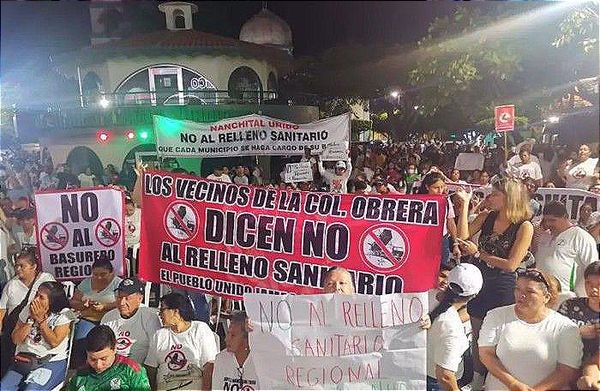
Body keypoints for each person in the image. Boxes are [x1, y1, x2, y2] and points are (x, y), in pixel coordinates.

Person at [454, 177, 534, 389]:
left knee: (499, 335)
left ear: (510, 198)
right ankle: (477, 378)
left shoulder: (524, 226)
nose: (490, 197)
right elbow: (463, 237)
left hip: (503, 285)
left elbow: (511, 264)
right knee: (477, 332)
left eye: (495, 194)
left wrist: (479, 253)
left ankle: (498, 378)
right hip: (479, 282)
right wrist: (464, 206)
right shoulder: (486, 216)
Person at [478, 269, 583, 390]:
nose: (521, 295)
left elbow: (568, 370)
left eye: (530, 291)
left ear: (546, 297)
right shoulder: (496, 316)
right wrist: (513, 384)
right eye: (518, 289)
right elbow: (486, 354)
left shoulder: (566, 327)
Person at [1, 281, 75, 390]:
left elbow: (54, 342)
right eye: (36, 295)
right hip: (24, 361)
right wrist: (30, 320)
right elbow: (16, 339)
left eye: (41, 297)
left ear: (52, 300)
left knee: (32, 389)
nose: (35, 300)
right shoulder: (28, 309)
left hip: (49, 362)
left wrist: (41, 321)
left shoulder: (65, 314)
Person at [427, 263, 483, 391]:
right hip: (433, 382)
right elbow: (445, 377)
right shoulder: (453, 330)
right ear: (473, 296)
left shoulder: (423, 296)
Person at [145, 292, 218, 390]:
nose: (160, 314)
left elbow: (209, 367)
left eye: (163, 310)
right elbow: (151, 369)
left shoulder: (200, 329)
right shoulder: (159, 335)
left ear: (176, 311)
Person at [0, 248, 55, 376]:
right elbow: (2, 309)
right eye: (16, 266)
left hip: (38, 326)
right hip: (16, 328)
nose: (18, 269)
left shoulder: (45, 280)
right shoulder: (11, 285)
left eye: (22, 266)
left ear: (33, 267)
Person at [534, 201, 598, 297]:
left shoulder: (581, 236)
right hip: (541, 294)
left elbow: (593, 268)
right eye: (546, 220)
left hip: (566, 296)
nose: (548, 223)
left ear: (565, 217)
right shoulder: (544, 236)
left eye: (552, 220)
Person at [70, 259, 122, 367]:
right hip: (89, 319)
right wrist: (84, 305)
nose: (99, 278)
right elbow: (73, 302)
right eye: (95, 274)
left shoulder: (118, 283)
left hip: (110, 320)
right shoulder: (86, 282)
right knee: (81, 343)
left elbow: (122, 302)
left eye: (103, 274)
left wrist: (105, 307)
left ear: (112, 273)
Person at [66, 325, 151, 390]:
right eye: (93, 359)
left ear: (114, 349)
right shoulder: (79, 375)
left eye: (103, 359)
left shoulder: (132, 371)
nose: (98, 365)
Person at [558, 262, 600, 390]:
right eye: (589, 283)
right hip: (566, 366)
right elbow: (550, 333)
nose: (593, 289)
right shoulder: (569, 305)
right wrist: (578, 331)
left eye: (599, 285)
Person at [101, 277, 162, 364]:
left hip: (141, 369)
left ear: (140, 299)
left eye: (127, 298)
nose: (122, 302)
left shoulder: (150, 316)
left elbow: (155, 349)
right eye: (119, 297)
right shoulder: (108, 317)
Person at [418, 172, 461, 268]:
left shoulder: (446, 200)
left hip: (442, 241)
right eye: (436, 187)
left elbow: (450, 222)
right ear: (427, 187)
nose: (440, 191)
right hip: (422, 241)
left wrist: (455, 244)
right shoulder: (418, 202)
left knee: (442, 269)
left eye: (442, 187)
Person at [209, 311, 259, 391]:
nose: (226, 339)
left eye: (233, 335)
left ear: (247, 339)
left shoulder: (260, 361)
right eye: (228, 333)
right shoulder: (221, 359)